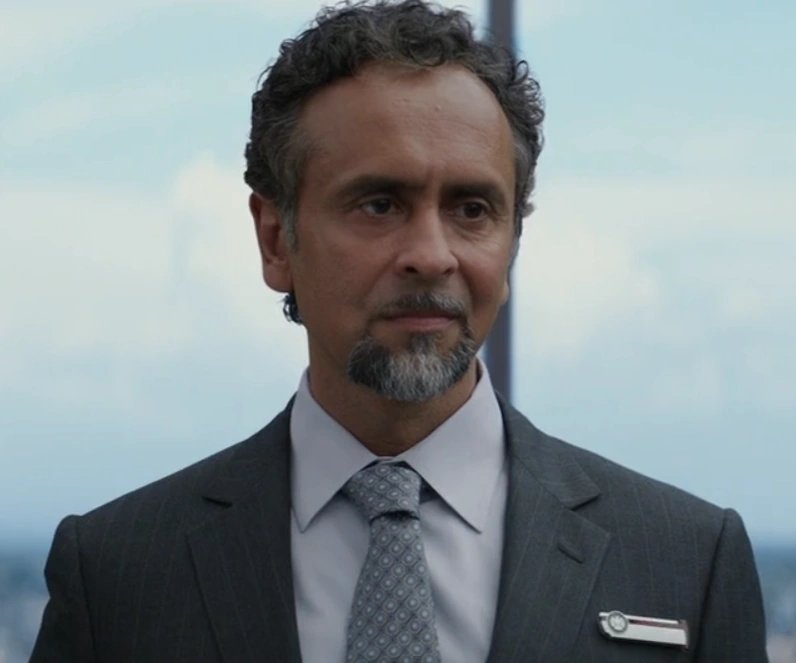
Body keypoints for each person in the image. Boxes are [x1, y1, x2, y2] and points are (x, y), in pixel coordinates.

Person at [30, 0, 769, 661]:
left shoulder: (688, 562)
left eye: (472, 209)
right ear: (276, 239)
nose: (432, 255)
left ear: (513, 241)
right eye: (379, 204)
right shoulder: (117, 574)